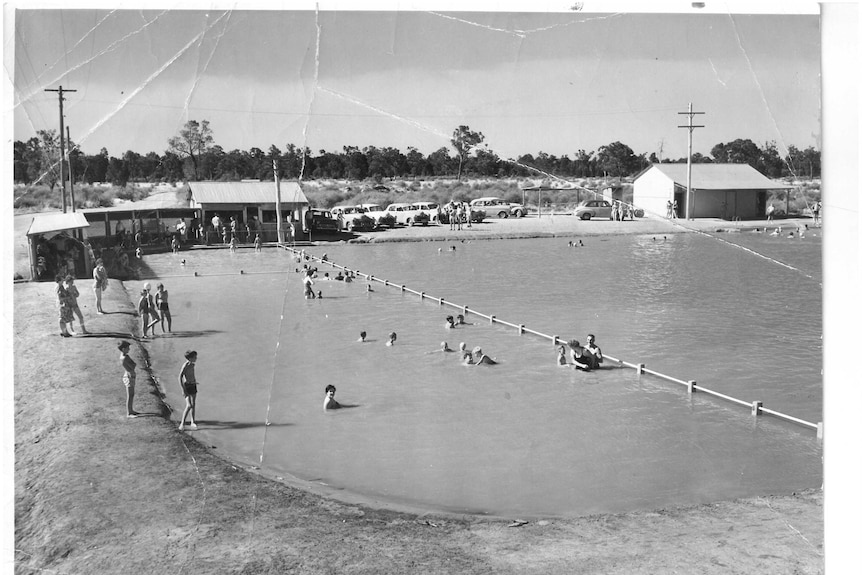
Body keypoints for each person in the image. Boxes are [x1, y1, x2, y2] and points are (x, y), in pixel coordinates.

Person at [178, 350, 199, 430]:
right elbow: (180, 377)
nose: (196, 358)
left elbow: (191, 375)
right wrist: (183, 390)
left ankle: (193, 421)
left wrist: (194, 382)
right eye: (194, 357)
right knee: (189, 405)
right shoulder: (185, 366)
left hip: (193, 385)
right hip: (187, 386)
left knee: (193, 404)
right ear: (190, 358)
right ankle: (182, 423)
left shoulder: (192, 365)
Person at [118, 341, 139, 417]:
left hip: (128, 375)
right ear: (123, 349)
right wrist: (132, 363)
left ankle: (131, 410)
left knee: (131, 395)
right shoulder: (125, 358)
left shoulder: (123, 356)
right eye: (128, 348)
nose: (129, 349)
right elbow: (133, 366)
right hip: (129, 376)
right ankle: (129, 413)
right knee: (130, 395)